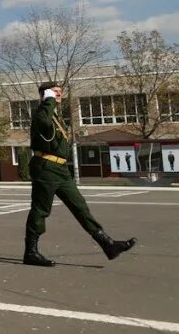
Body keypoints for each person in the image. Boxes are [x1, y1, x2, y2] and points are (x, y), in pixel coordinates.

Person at [23, 82, 136, 266]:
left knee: (80, 206)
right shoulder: (41, 113)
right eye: (55, 92)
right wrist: (49, 100)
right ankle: (31, 252)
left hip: (60, 169)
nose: (60, 95)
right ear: (46, 95)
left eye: (60, 92)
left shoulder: (54, 115)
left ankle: (107, 244)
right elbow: (44, 124)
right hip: (45, 166)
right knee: (41, 209)